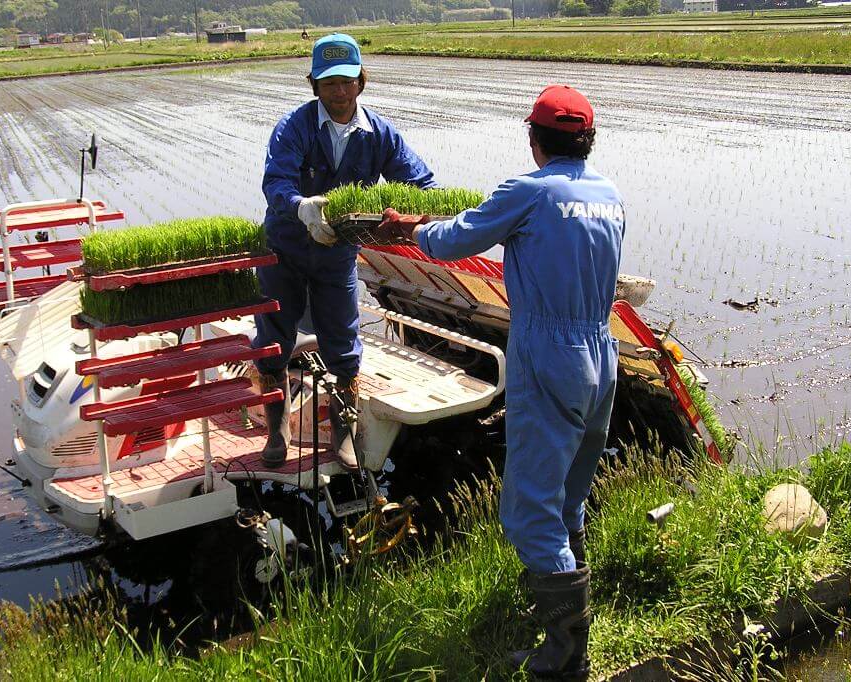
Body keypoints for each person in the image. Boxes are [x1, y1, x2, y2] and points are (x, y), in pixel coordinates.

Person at [375, 84, 624, 680]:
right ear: (587, 142)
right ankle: (558, 625)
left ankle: (566, 657)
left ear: (535, 141)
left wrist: (412, 227)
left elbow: (454, 241)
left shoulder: (528, 192)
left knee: (526, 512)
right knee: (568, 494)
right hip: (601, 353)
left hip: (550, 355)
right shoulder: (609, 195)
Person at [253, 33, 436, 471]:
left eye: (347, 81)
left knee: (343, 341)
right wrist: (301, 207)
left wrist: (420, 215)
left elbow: (420, 181)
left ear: (360, 82)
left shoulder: (378, 133)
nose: (339, 91)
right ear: (315, 84)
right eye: (330, 82)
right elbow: (275, 183)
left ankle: (344, 432)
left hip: (337, 253)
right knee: (273, 338)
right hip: (286, 248)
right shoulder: (294, 127)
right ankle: (277, 427)